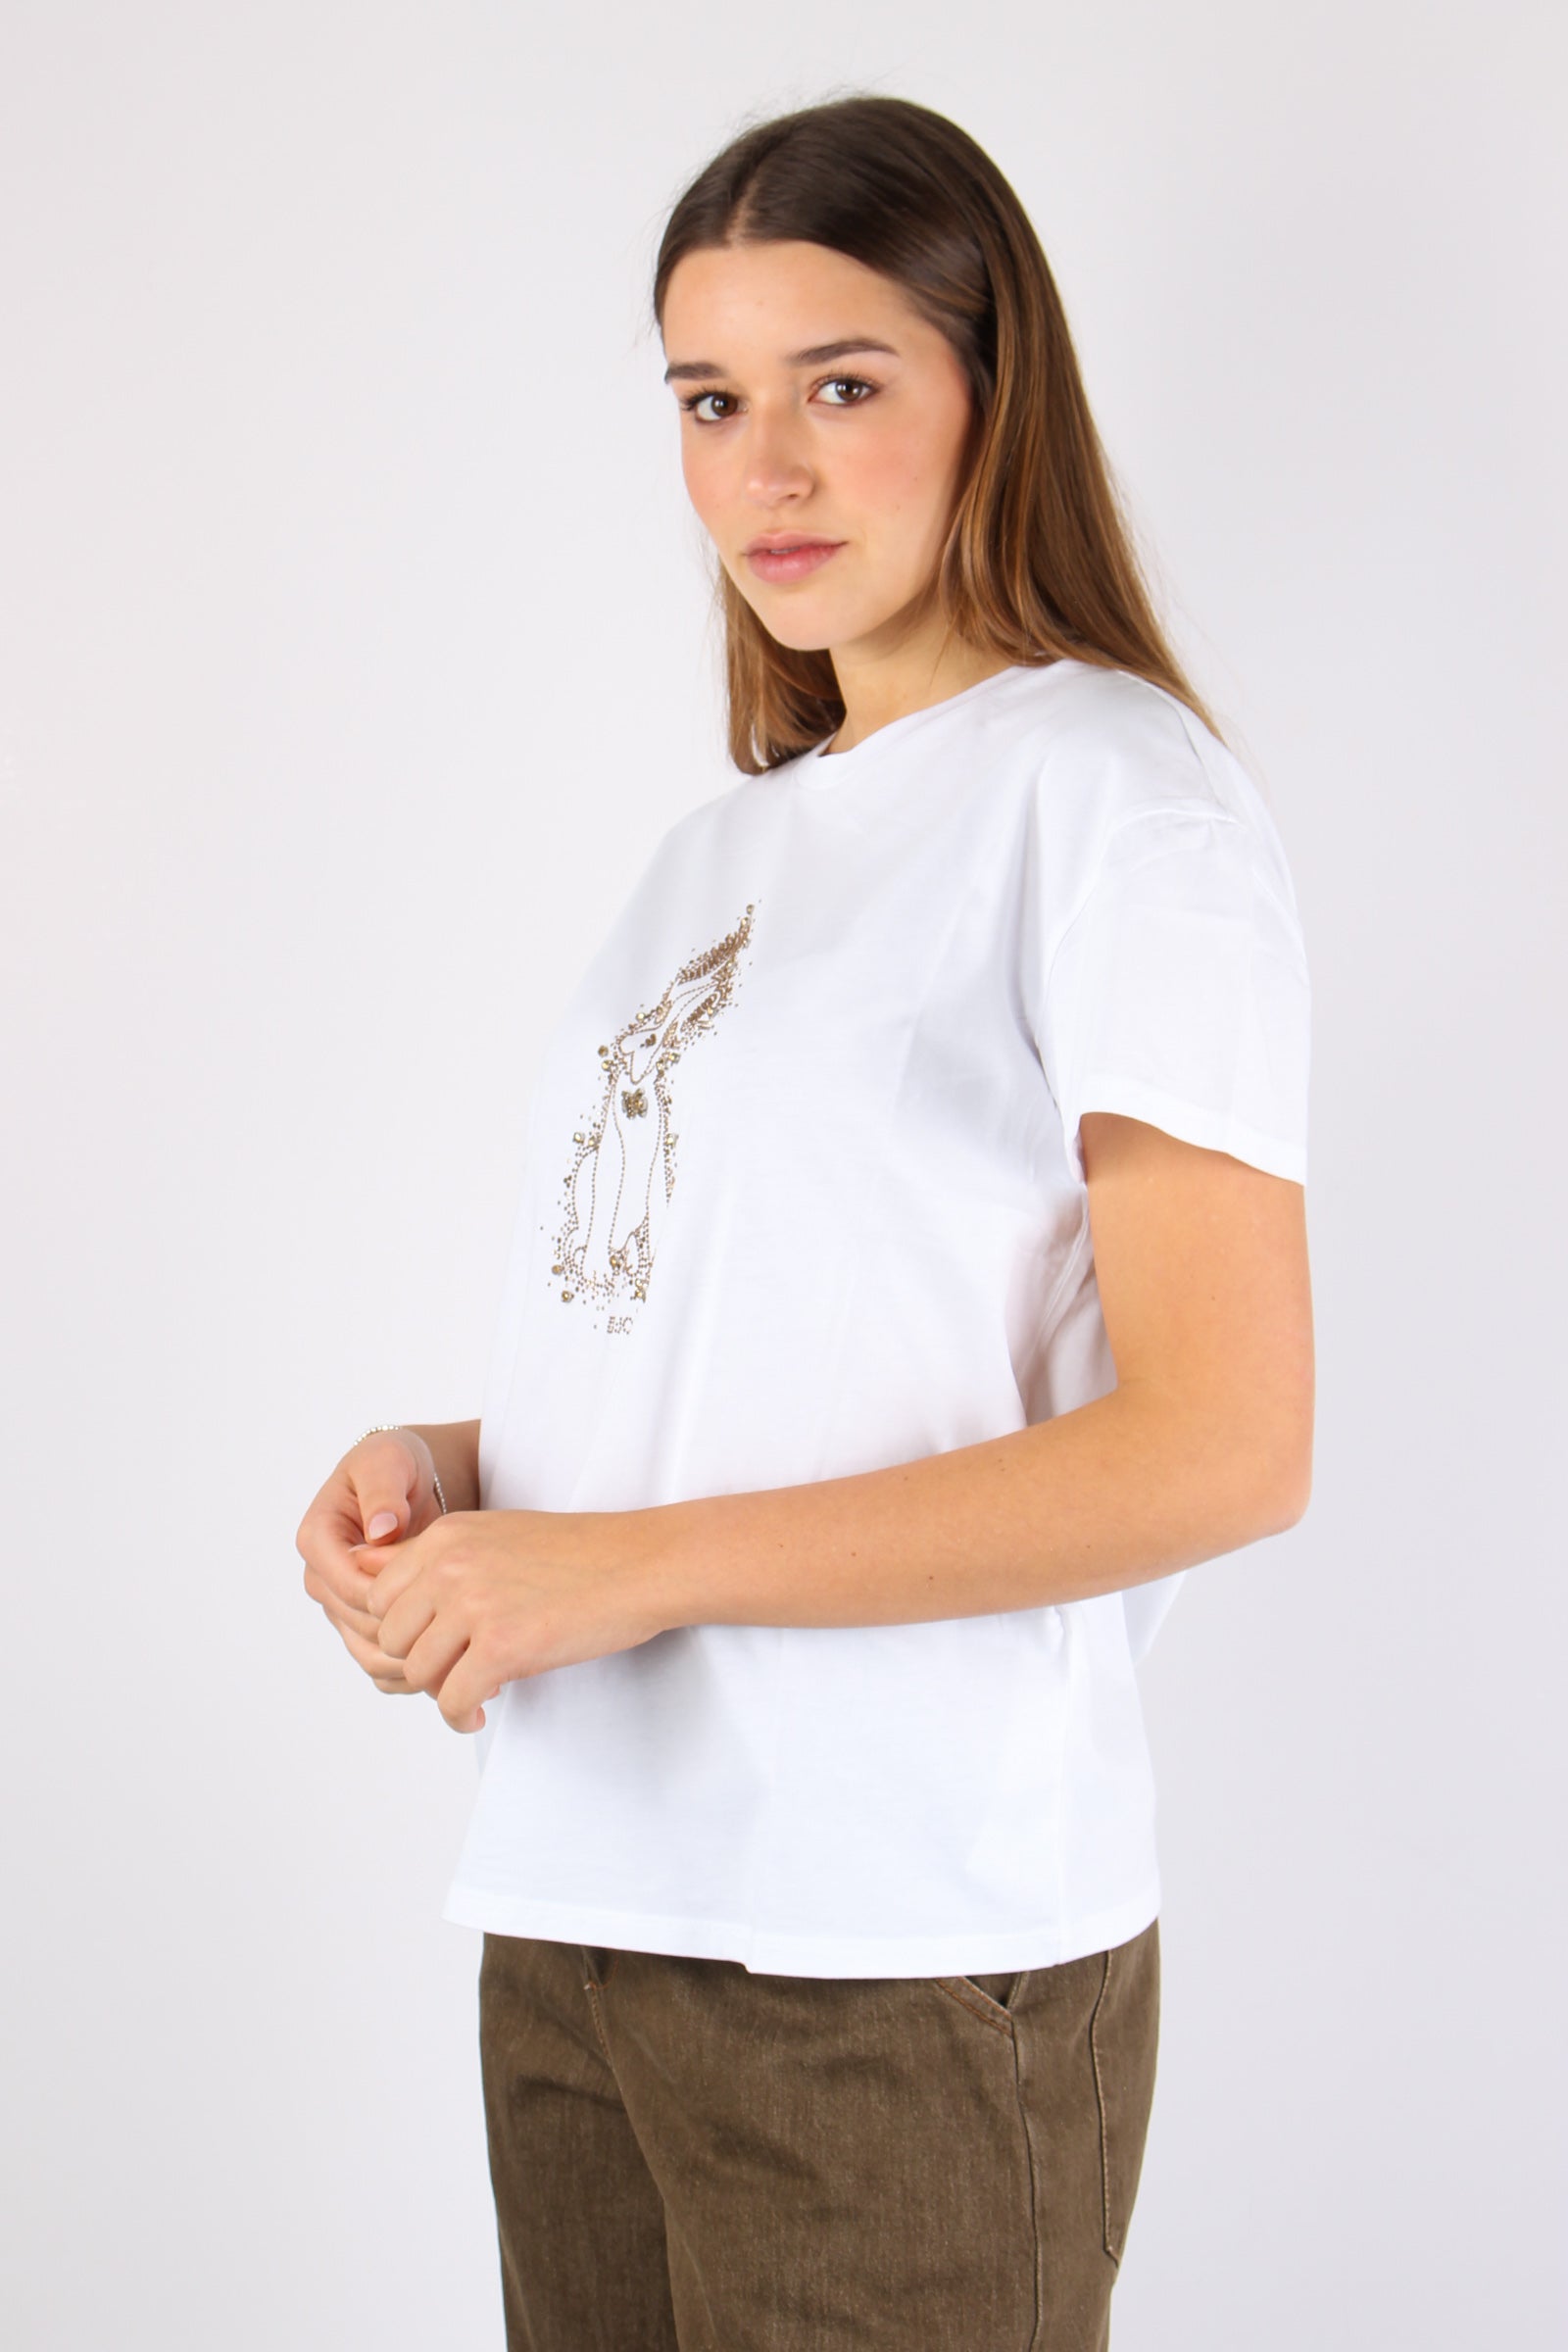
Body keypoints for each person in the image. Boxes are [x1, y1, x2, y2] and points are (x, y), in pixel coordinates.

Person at [296, 93, 1314, 2352]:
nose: (765, 467)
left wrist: (617, 1570)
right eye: (708, 400)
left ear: (992, 394)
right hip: (583, 1909)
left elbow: (1224, 1444)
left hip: (891, 1944)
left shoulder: (1113, 805)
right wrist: (469, 1478)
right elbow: (773, 1330)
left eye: (839, 386)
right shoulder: (719, 854)